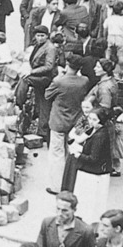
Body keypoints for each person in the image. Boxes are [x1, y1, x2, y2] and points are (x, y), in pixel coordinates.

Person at [45, 57, 91, 194]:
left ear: (67, 64)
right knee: (74, 151)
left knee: (57, 154)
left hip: (59, 120)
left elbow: (47, 95)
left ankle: (57, 186)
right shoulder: (84, 81)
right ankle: (72, 183)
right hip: (78, 121)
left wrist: (60, 75)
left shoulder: (59, 81)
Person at [63, 108, 112, 221]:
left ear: (101, 121)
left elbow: (93, 158)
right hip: (96, 170)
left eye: (94, 119)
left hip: (93, 172)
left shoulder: (99, 136)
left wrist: (78, 154)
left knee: (89, 201)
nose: (91, 121)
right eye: (90, 118)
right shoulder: (98, 131)